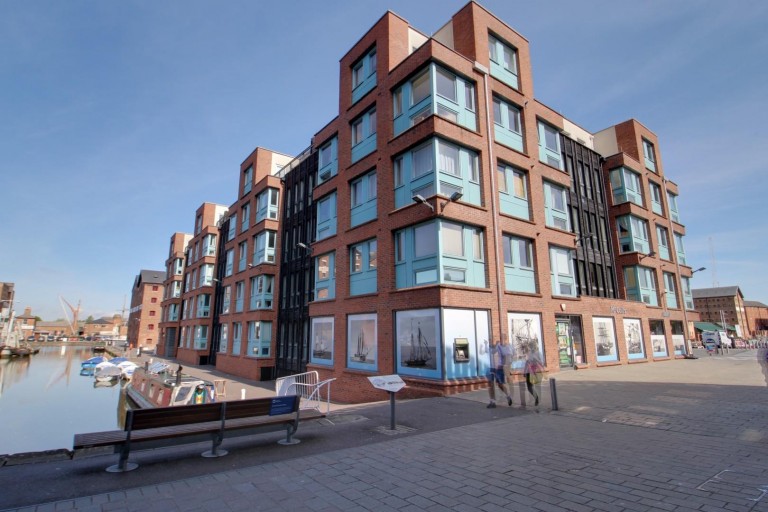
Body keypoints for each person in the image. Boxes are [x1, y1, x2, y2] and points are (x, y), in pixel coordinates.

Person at [486, 338, 514, 408]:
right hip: (491, 368)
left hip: (498, 368)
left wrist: (504, 366)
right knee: (490, 384)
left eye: (491, 340)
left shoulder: (499, 348)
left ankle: (508, 396)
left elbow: (505, 356)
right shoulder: (489, 348)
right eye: (489, 340)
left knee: (500, 384)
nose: (490, 342)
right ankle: (492, 401)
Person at [523, 345, 544, 410]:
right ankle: (536, 397)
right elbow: (527, 363)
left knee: (535, 386)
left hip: (534, 372)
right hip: (529, 372)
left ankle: (537, 398)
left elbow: (540, 362)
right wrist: (524, 372)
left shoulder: (536, 354)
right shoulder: (529, 354)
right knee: (530, 387)